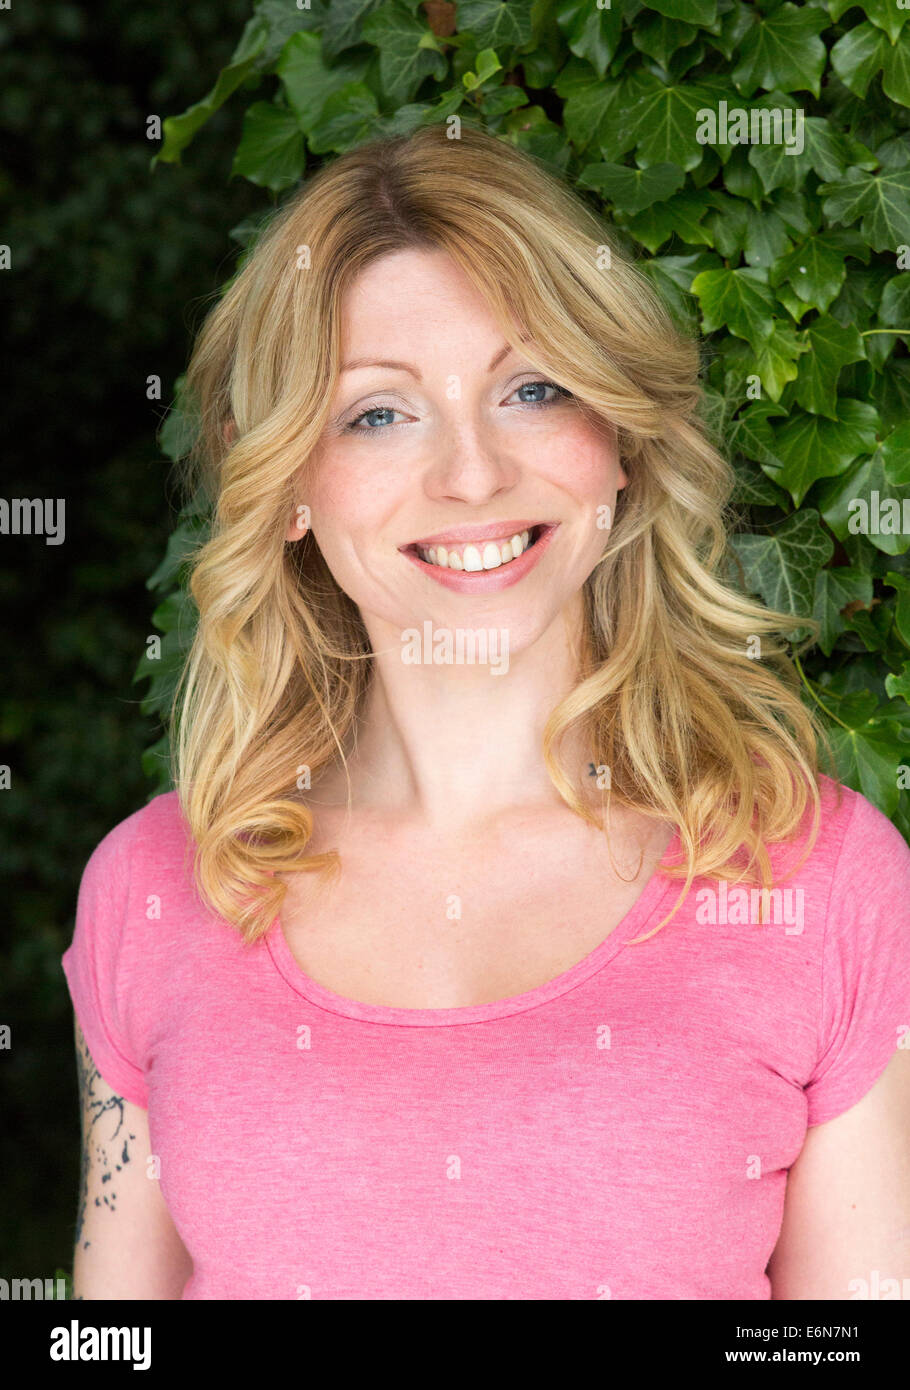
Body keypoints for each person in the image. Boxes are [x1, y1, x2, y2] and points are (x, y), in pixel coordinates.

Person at [63, 121, 910, 1300]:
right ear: (290, 484)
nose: (470, 473)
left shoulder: (819, 883)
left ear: (618, 439)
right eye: (377, 412)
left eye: (531, 388)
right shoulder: (152, 886)